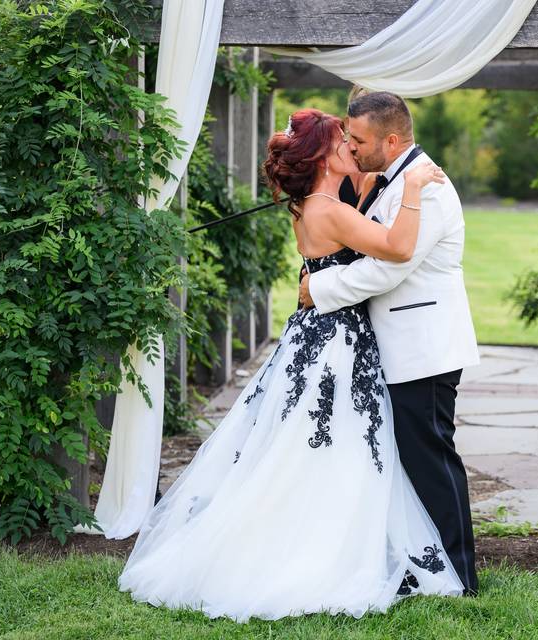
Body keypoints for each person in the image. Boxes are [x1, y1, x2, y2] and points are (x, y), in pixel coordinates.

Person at [118, 108, 464, 621]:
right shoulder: (329, 207)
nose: (350, 144)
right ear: (324, 156)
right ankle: (324, 554)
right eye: (343, 141)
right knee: (333, 445)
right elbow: (396, 246)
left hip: (319, 337)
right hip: (335, 341)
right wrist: (409, 188)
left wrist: (377, 182)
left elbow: (361, 215)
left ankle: (315, 541)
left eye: (356, 138)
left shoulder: (312, 203)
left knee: (308, 444)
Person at [299, 92, 481, 595]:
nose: (351, 147)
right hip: (396, 346)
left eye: (358, 139)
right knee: (406, 460)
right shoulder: (388, 182)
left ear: (392, 140)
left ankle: (458, 574)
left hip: (423, 347)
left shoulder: (430, 189)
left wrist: (319, 290)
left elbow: (387, 268)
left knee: (430, 459)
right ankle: (420, 566)